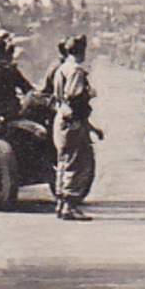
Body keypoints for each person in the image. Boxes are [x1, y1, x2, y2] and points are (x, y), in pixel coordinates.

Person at [52, 35, 100, 221]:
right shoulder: (76, 71)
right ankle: (69, 206)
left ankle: (61, 203)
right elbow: (75, 96)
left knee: (64, 162)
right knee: (77, 164)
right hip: (73, 120)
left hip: (62, 118)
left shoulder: (62, 68)